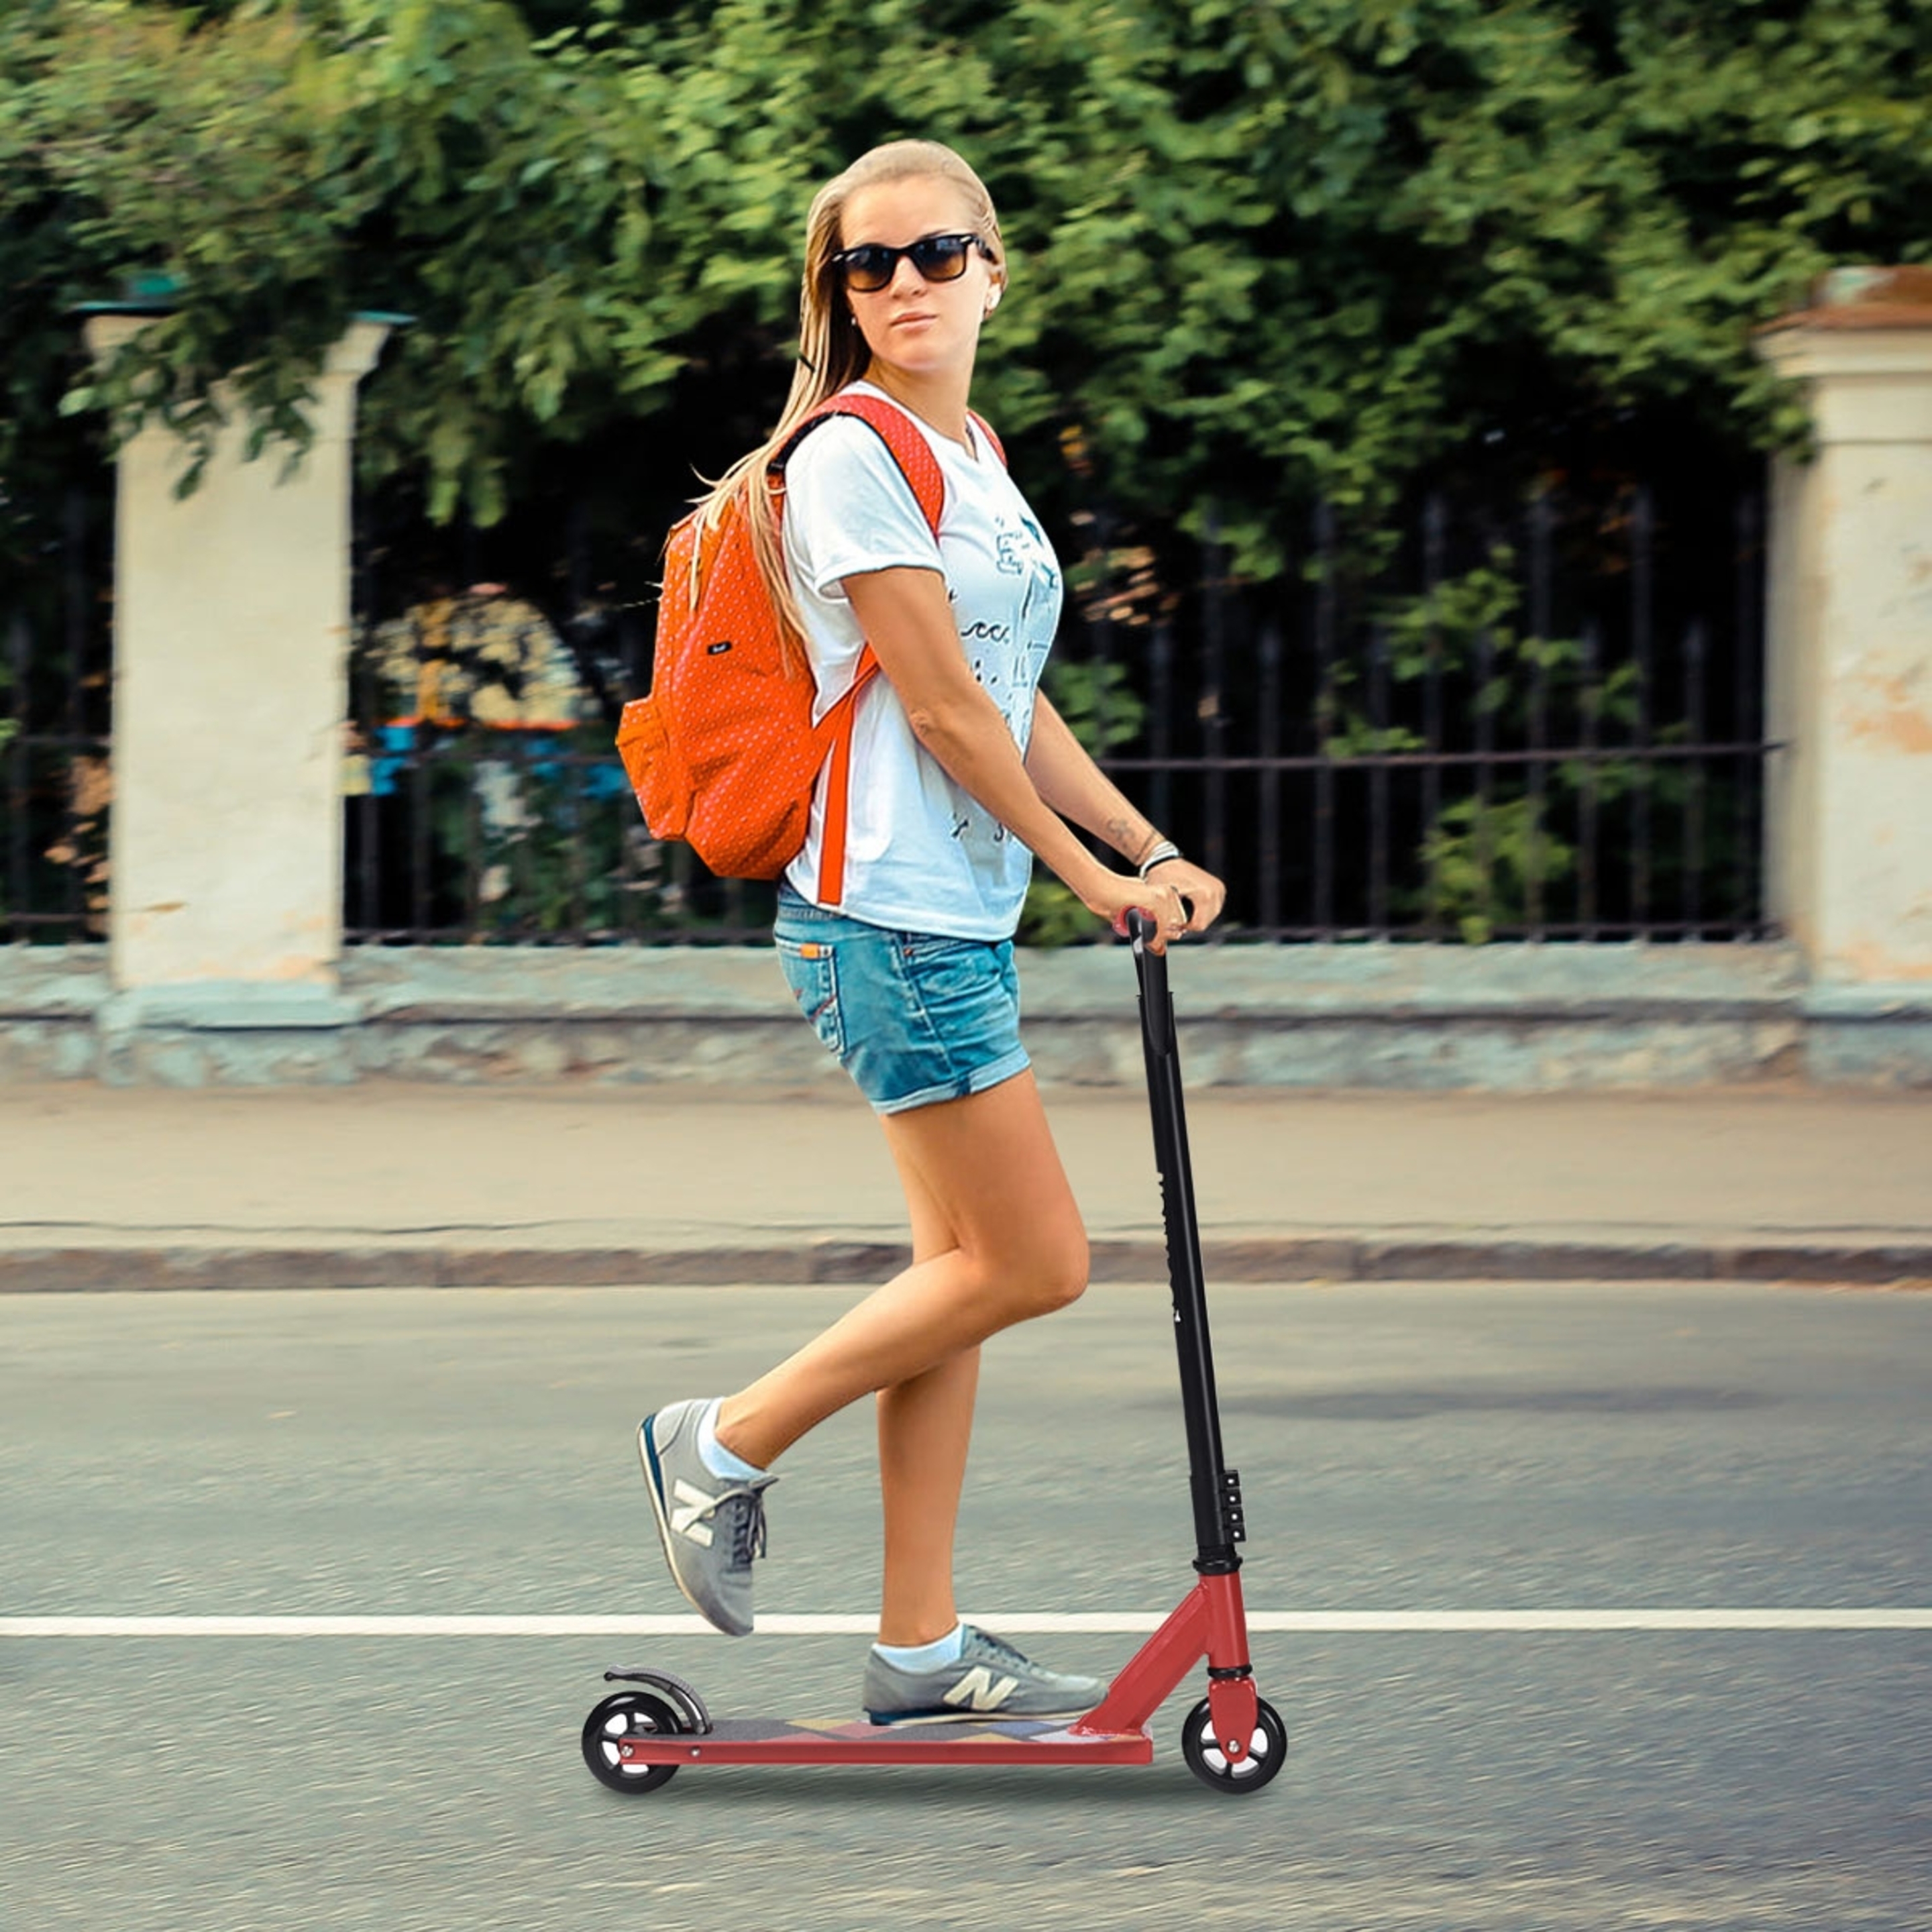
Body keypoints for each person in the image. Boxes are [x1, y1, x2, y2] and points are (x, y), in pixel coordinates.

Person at [638, 138, 1226, 1725]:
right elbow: (945, 708)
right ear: (834, 291)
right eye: (868, 263)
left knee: (954, 1278)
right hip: (883, 912)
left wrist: (1143, 840)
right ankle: (723, 1441)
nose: (904, 283)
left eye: (935, 253)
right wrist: (1087, 884)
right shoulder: (851, 457)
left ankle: (918, 1651)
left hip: (933, 915)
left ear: (994, 267)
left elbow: (1015, 696)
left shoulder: (971, 456)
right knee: (1035, 1264)